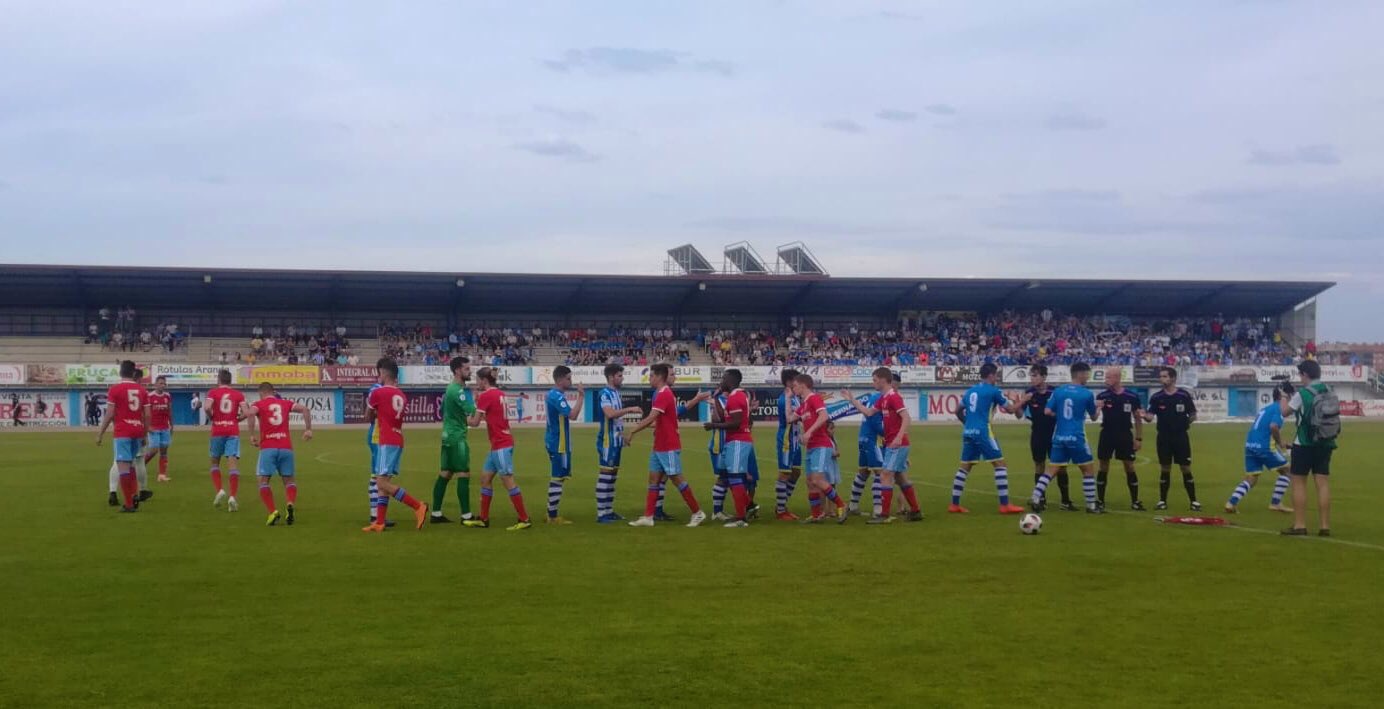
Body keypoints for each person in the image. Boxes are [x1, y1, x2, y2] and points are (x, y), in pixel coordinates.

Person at [622, 363, 707, 528]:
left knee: (677, 479)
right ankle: (648, 517)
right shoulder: (659, 393)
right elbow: (661, 419)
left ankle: (697, 512)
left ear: (659, 376)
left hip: (668, 444)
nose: (649, 378)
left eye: (651, 375)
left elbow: (650, 418)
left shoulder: (663, 394)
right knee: (653, 479)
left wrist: (632, 431)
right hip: (659, 444)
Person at [844, 367, 923, 523]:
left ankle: (883, 514)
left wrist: (899, 438)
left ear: (882, 380)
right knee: (900, 478)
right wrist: (852, 400)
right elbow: (868, 413)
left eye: (874, 380)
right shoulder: (883, 398)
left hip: (897, 444)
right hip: (893, 444)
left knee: (885, 475)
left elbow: (906, 418)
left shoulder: (893, 397)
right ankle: (915, 511)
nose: (873, 383)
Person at [947, 363, 1026, 514]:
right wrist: (1022, 400)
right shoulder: (994, 391)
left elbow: (957, 411)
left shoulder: (971, 391)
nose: (996, 378)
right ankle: (1005, 505)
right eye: (995, 375)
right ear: (990, 375)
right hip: (983, 431)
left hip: (969, 431)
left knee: (965, 467)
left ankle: (954, 504)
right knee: (1000, 465)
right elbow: (1010, 410)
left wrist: (967, 423)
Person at [362, 358, 429, 532]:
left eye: (379, 373)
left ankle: (417, 506)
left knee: (381, 483)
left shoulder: (378, 393)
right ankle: (379, 522)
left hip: (386, 441)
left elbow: (367, 417)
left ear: (383, 373)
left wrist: (372, 410)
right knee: (384, 481)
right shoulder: (401, 395)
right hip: (398, 439)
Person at [463, 367, 533, 530]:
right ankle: (483, 519)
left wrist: (459, 417)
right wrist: (476, 403)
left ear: (484, 380)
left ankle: (524, 519)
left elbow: (474, 423)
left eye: (478, 380)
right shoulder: (500, 394)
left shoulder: (486, 395)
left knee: (508, 480)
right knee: (485, 479)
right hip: (499, 443)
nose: (476, 383)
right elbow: (490, 416)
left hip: (501, 444)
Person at [1030, 362, 1101, 514]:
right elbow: (1094, 417)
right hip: (1076, 436)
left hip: (1059, 436)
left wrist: (1060, 415)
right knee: (1088, 470)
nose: (1088, 377)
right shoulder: (1086, 393)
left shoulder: (1059, 391)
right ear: (1081, 374)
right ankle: (1091, 505)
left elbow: (1047, 411)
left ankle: (1036, 497)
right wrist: (1099, 406)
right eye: (1087, 373)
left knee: (1051, 470)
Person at [1280, 360, 1339, 536]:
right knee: (1322, 484)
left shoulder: (1303, 394)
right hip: (1326, 441)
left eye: (1300, 374)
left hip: (1304, 443)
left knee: (1298, 483)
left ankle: (1300, 525)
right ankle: (1324, 526)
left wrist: (1284, 395)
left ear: (1305, 374)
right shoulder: (1329, 390)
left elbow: (1284, 412)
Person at [247, 383, 313, 526]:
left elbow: (251, 413)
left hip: (268, 448)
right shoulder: (284, 403)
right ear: (273, 392)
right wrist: (308, 429)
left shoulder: (259, 404)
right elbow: (305, 409)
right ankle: (289, 503)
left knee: (263, 481)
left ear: (261, 393)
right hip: (286, 447)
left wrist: (252, 435)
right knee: (289, 481)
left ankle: (272, 512)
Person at [1225, 387, 1294, 514]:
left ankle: (1231, 503)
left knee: (1252, 478)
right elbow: (1273, 427)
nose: (1290, 401)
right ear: (1282, 397)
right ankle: (1276, 503)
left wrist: (1282, 443)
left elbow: (1265, 430)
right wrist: (1280, 443)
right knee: (1288, 471)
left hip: (1250, 445)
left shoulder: (1266, 408)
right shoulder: (1278, 410)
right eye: (1289, 397)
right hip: (1264, 447)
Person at [702, 369, 756, 527]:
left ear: (730, 380)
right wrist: (717, 398)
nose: (721, 382)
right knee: (727, 476)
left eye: (724, 379)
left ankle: (741, 518)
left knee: (735, 477)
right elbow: (726, 416)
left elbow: (736, 423)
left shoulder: (736, 397)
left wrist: (713, 425)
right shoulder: (737, 396)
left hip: (738, 441)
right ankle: (749, 507)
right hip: (733, 441)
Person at [1144, 367, 1201, 511]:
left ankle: (1194, 501)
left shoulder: (1183, 395)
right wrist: (1143, 415)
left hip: (1181, 437)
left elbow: (1193, 414)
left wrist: (1184, 424)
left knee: (1185, 467)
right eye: (1161, 376)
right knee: (1165, 468)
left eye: (1164, 376)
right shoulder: (1156, 397)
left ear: (1173, 378)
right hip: (1163, 437)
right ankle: (1162, 501)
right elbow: (1150, 417)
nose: (1161, 379)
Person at [96, 360, 148, 512]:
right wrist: (144, 433)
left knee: (122, 466)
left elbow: (110, 413)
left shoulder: (115, 389)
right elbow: (148, 415)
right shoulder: (141, 390)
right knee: (131, 464)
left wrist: (100, 433)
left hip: (123, 431)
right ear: (133, 373)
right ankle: (134, 495)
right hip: (137, 430)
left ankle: (129, 504)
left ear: (120, 372)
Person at [1016, 365, 1071, 510]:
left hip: (1055, 434)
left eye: (1035, 375)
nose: (1032, 379)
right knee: (1039, 465)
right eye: (1031, 376)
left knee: (1061, 467)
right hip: (1038, 434)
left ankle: (1065, 500)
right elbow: (1019, 415)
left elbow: (1062, 414)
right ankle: (1041, 498)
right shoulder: (1029, 393)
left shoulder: (1056, 392)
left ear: (1044, 377)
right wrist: (1019, 402)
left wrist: (1053, 414)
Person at [595, 364, 644, 523]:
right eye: (619, 376)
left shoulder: (615, 393)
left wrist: (623, 436)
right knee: (605, 475)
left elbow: (617, 421)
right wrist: (630, 409)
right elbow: (609, 414)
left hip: (616, 440)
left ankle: (609, 511)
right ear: (611, 377)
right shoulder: (604, 394)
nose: (622, 378)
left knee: (612, 477)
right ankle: (601, 514)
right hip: (607, 441)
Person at [431, 356, 477, 523]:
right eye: (466, 368)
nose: (469, 371)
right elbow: (471, 411)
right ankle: (466, 515)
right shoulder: (457, 391)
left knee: (446, 473)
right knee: (464, 473)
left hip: (447, 435)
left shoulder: (449, 389)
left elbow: (444, 411)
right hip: (457, 437)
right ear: (457, 370)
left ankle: (436, 513)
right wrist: (482, 402)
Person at [1095, 368, 1146, 511]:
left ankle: (1135, 501)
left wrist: (1138, 438)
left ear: (1117, 378)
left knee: (1129, 465)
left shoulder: (1132, 396)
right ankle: (1100, 501)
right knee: (1103, 465)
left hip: (1124, 434)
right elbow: (1094, 414)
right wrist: (1097, 408)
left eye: (1108, 377)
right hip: (1107, 434)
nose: (1106, 379)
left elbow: (1137, 417)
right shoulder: (1102, 396)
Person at [543, 365, 586, 525]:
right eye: (568, 378)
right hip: (558, 442)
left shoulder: (555, 395)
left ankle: (550, 511)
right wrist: (581, 396)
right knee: (558, 477)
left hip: (557, 441)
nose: (571, 381)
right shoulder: (556, 396)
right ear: (560, 379)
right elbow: (572, 415)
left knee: (559, 477)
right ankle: (552, 515)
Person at [841, 383, 885, 518]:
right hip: (873, 440)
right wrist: (888, 433)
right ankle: (878, 509)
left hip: (863, 438)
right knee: (880, 473)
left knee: (863, 472)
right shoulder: (882, 397)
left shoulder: (873, 397)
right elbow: (875, 422)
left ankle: (853, 505)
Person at [205, 369, 247, 511]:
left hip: (217, 430)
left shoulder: (213, 392)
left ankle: (219, 490)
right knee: (232, 464)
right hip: (232, 431)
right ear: (230, 381)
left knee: (215, 462)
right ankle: (232, 497)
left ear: (219, 380)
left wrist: (212, 417)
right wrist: (238, 419)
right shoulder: (238, 394)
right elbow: (246, 413)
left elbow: (206, 407)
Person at [773, 368, 804, 520]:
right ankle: (780, 510)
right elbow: (791, 418)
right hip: (786, 439)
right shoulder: (783, 399)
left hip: (796, 439)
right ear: (789, 381)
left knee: (796, 471)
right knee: (784, 473)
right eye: (797, 380)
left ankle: (782, 503)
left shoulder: (795, 397)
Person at [144, 376, 174, 482]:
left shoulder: (167, 396)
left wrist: (172, 425)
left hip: (165, 427)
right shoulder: (150, 396)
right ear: (155, 384)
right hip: (153, 427)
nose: (163, 385)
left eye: (164, 383)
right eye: (161, 383)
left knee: (164, 451)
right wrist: (147, 426)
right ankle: (140, 466)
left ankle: (162, 475)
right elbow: (144, 412)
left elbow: (169, 411)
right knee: (154, 450)